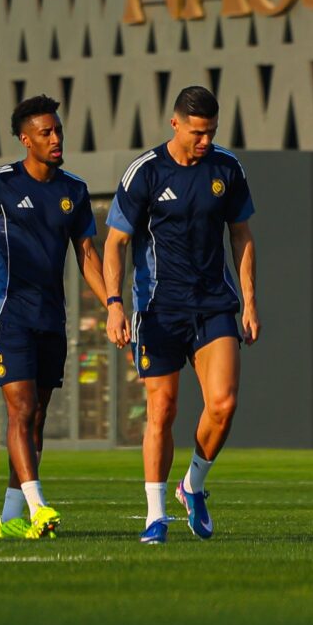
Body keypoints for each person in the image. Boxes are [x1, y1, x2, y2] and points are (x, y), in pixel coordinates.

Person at [0, 95, 114, 539]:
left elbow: (87, 255)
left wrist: (114, 305)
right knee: (22, 409)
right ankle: (38, 508)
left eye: (57, 130)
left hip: (51, 318)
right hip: (5, 313)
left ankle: (10, 519)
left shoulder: (73, 189)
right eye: (45, 133)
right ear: (25, 139)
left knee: (37, 419)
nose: (56, 139)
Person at [106, 85, 256, 544]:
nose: (205, 140)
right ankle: (154, 515)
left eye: (210, 131)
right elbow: (115, 242)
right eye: (197, 132)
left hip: (213, 303)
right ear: (175, 124)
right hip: (158, 308)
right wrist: (114, 304)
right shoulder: (145, 172)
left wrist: (249, 300)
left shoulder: (226, 168)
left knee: (224, 404)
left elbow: (242, 236)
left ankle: (193, 484)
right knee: (162, 409)